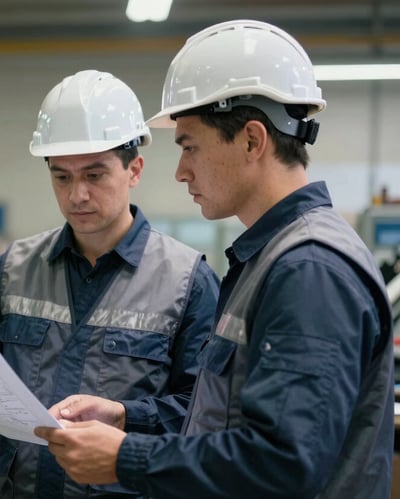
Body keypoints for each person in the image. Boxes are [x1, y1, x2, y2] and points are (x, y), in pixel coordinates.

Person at [35, 20, 395, 499]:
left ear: (251, 140)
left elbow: (284, 464)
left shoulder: (309, 269)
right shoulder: (270, 257)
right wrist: (128, 417)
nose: (181, 172)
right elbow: (223, 417)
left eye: (189, 146)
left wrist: (126, 458)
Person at [0, 69, 220, 498]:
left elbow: (207, 414)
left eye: (95, 175)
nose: (76, 195)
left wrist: (126, 415)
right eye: (61, 176)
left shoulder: (187, 280)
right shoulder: (14, 267)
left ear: (134, 169)